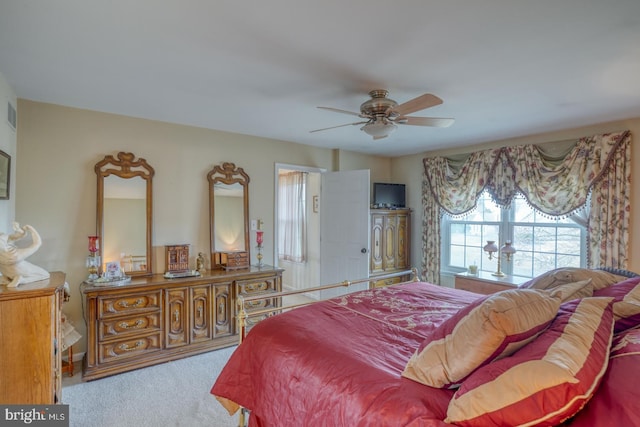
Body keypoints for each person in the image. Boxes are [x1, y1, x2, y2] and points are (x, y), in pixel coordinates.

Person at [0, 222, 50, 287]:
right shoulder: (14, 254)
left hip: (5, 272)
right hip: (18, 272)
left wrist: (19, 230)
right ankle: (22, 280)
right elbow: (37, 243)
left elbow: (14, 237)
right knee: (46, 274)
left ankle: (5, 278)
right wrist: (31, 229)